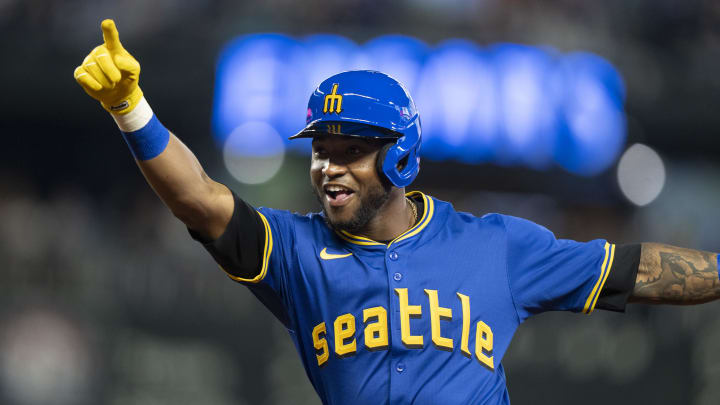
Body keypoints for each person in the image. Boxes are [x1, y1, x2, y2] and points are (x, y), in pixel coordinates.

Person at [74, 19, 720, 404]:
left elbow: (640, 271)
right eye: (321, 151)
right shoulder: (296, 251)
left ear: (401, 157)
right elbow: (200, 198)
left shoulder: (496, 246)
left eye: (351, 151)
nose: (329, 166)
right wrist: (132, 110)